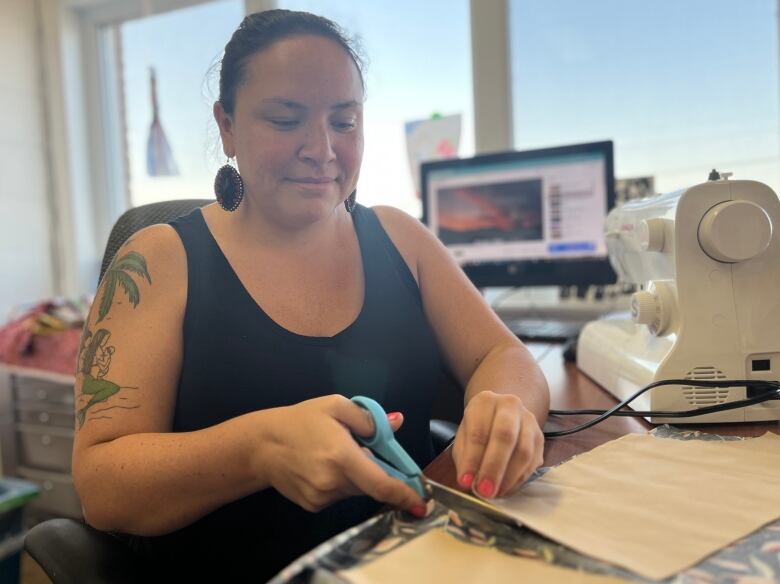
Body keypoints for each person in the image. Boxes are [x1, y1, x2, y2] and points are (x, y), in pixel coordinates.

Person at [72, 9, 550, 581]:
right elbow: (102, 486)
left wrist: (505, 411)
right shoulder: (156, 260)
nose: (322, 148)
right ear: (226, 125)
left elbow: (505, 356)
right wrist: (255, 449)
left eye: (344, 122)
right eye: (284, 119)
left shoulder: (400, 238)